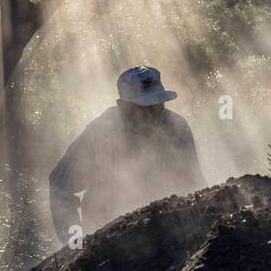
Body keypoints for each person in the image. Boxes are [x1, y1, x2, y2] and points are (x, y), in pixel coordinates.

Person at [49, 66, 206, 245]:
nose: (155, 112)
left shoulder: (177, 127)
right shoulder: (100, 132)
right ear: (124, 106)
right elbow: (60, 185)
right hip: (105, 244)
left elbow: (193, 182)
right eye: (146, 106)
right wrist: (74, 239)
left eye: (159, 104)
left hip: (167, 238)